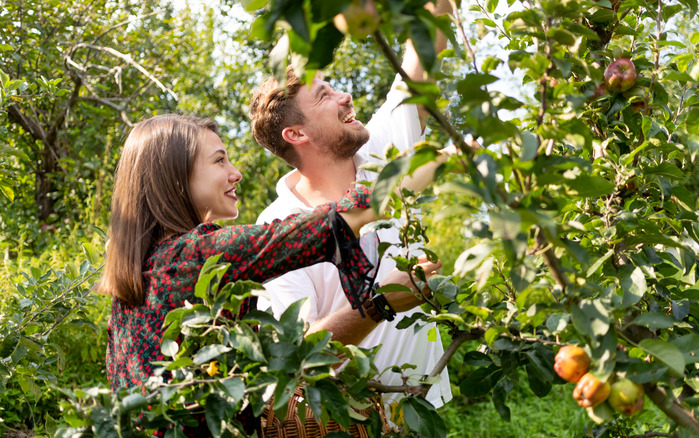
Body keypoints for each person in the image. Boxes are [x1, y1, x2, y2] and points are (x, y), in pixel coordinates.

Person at [96, 114, 435, 395]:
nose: (235, 173)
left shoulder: (138, 274)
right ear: (176, 178)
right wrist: (444, 162)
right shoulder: (198, 256)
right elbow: (341, 220)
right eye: (219, 160)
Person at [248, 0, 454, 416]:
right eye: (325, 95)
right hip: (352, 422)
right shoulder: (277, 227)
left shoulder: (379, 154)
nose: (346, 96)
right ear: (296, 133)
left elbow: (426, 47)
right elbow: (303, 351)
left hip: (424, 405)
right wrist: (382, 301)